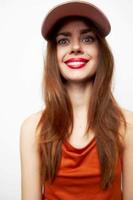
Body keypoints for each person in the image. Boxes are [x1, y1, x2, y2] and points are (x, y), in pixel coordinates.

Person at [20, 1, 133, 200]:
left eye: (87, 39)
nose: (75, 47)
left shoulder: (128, 126)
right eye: (63, 41)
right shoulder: (33, 128)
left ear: (101, 52)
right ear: (54, 55)